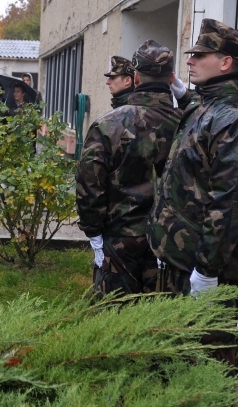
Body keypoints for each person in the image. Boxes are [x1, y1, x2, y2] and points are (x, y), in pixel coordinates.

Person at [148, 19, 238, 298]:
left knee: (205, 341)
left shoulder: (236, 121)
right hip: (180, 259)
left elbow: (230, 203)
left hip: (202, 267)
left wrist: (207, 270)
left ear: (226, 62)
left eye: (199, 55)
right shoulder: (206, 106)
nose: (190, 60)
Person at [76, 41, 182, 297]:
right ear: (171, 78)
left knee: (115, 315)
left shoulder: (109, 124)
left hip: (120, 236)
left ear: (134, 77)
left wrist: (93, 232)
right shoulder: (188, 123)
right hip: (171, 239)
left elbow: (89, 184)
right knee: (163, 319)